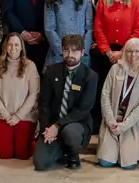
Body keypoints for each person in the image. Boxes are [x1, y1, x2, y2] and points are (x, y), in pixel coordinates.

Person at [33, 35, 99, 171]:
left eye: (74, 51)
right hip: (52, 124)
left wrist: (57, 126)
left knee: (70, 133)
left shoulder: (90, 76)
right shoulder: (51, 71)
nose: (70, 55)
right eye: (66, 50)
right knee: (40, 163)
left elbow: (83, 110)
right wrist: (47, 128)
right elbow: (44, 104)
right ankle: (60, 149)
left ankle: (73, 156)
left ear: (82, 52)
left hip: (77, 123)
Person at [95, 38, 139, 169]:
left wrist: (124, 125)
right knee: (105, 163)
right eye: (129, 51)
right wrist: (110, 121)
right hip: (112, 121)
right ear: (124, 53)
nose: (133, 55)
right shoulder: (116, 69)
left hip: (130, 124)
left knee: (127, 165)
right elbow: (105, 96)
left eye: (137, 51)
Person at [0, 33, 41, 161]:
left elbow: (34, 93)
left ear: (22, 47)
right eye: (10, 45)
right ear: (5, 47)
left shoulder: (30, 66)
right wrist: (6, 114)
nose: (13, 48)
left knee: (22, 154)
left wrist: (18, 116)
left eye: (16, 44)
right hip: (3, 116)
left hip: (24, 117)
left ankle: (35, 143)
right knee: (5, 154)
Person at [92, 0, 139, 83]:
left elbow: (137, 31)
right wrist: (108, 52)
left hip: (128, 52)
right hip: (106, 54)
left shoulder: (135, 3)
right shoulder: (102, 2)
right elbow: (98, 30)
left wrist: (122, 52)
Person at [44, 0, 95, 65]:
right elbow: (49, 29)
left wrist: (82, 50)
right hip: (59, 55)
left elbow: (90, 28)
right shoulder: (51, 0)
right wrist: (64, 51)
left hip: (81, 55)